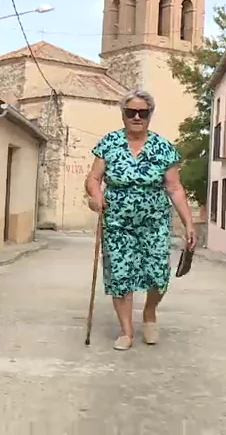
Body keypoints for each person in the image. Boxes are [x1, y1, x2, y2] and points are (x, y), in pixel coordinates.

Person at [85, 88, 197, 351]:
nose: (137, 117)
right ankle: (127, 331)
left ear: (150, 115)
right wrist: (95, 196)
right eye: (131, 112)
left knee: (158, 273)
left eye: (142, 113)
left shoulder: (163, 147)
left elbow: (175, 188)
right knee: (120, 275)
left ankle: (149, 312)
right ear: (123, 115)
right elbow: (93, 178)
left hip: (155, 222)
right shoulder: (109, 143)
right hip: (116, 221)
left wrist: (189, 223)